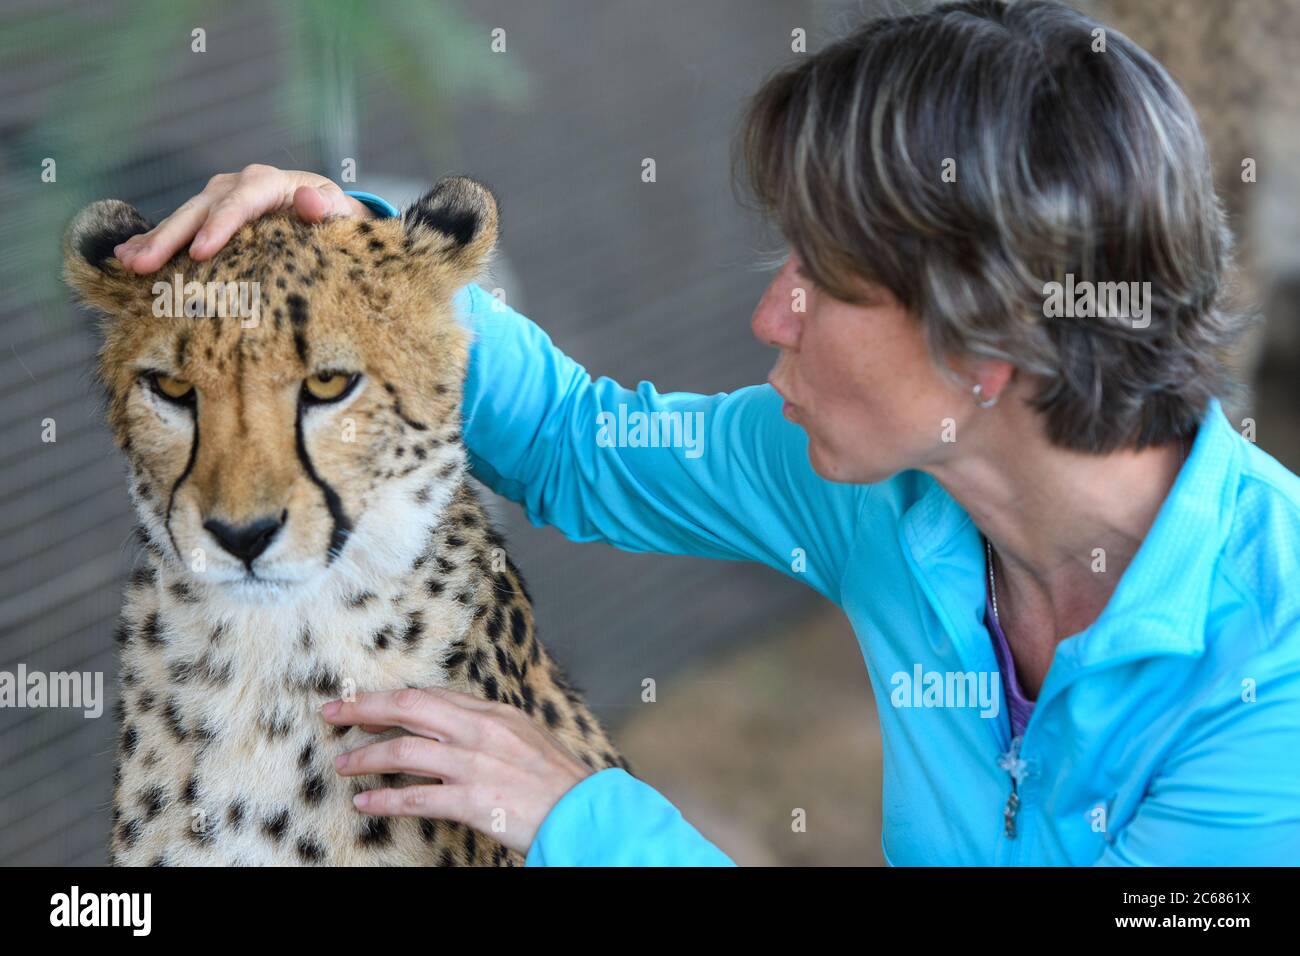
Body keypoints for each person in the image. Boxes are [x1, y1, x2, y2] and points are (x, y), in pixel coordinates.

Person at [109, 0, 1300, 865]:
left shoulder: (1273, 674)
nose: (767, 313)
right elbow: (580, 441)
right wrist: (352, 250)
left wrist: (590, 823)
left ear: (986, 347)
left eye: (823, 281)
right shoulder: (893, 481)